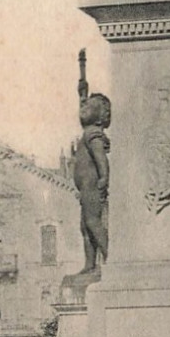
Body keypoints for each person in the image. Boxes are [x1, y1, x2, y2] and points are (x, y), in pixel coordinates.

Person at [73, 93, 110, 273]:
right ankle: (90, 264)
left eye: (89, 107)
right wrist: (82, 93)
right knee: (85, 227)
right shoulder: (88, 133)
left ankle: (110, 255)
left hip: (92, 186)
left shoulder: (93, 135)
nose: (83, 109)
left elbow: (100, 158)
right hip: (85, 189)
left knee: (92, 223)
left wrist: (104, 177)